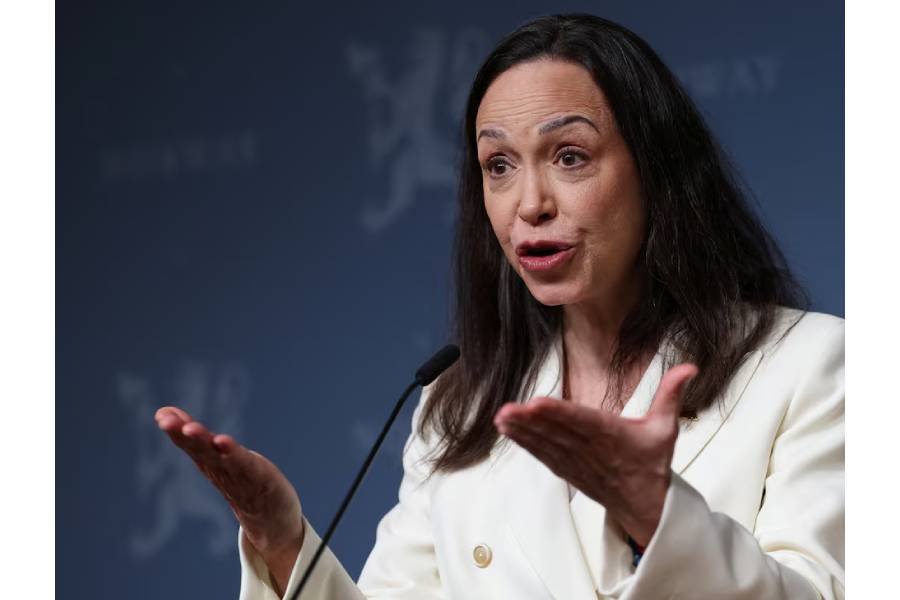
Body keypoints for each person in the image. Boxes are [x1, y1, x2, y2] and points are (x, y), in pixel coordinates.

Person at [156, 14, 844, 600]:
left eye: (570, 156)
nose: (530, 204)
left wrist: (657, 518)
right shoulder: (458, 405)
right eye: (499, 166)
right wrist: (282, 546)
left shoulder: (812, 365)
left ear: (657, 172)